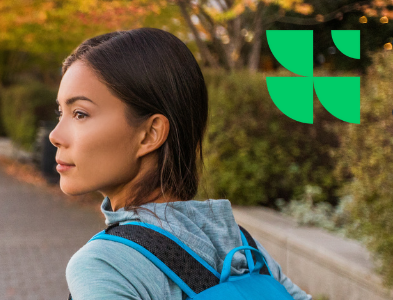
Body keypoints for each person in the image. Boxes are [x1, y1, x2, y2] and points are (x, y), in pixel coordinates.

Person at [54, 28, 310, 299]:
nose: (55, 135)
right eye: (61, 112)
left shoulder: (104, 265)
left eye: (80, 114)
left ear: (150, 134)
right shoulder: (241, 245)